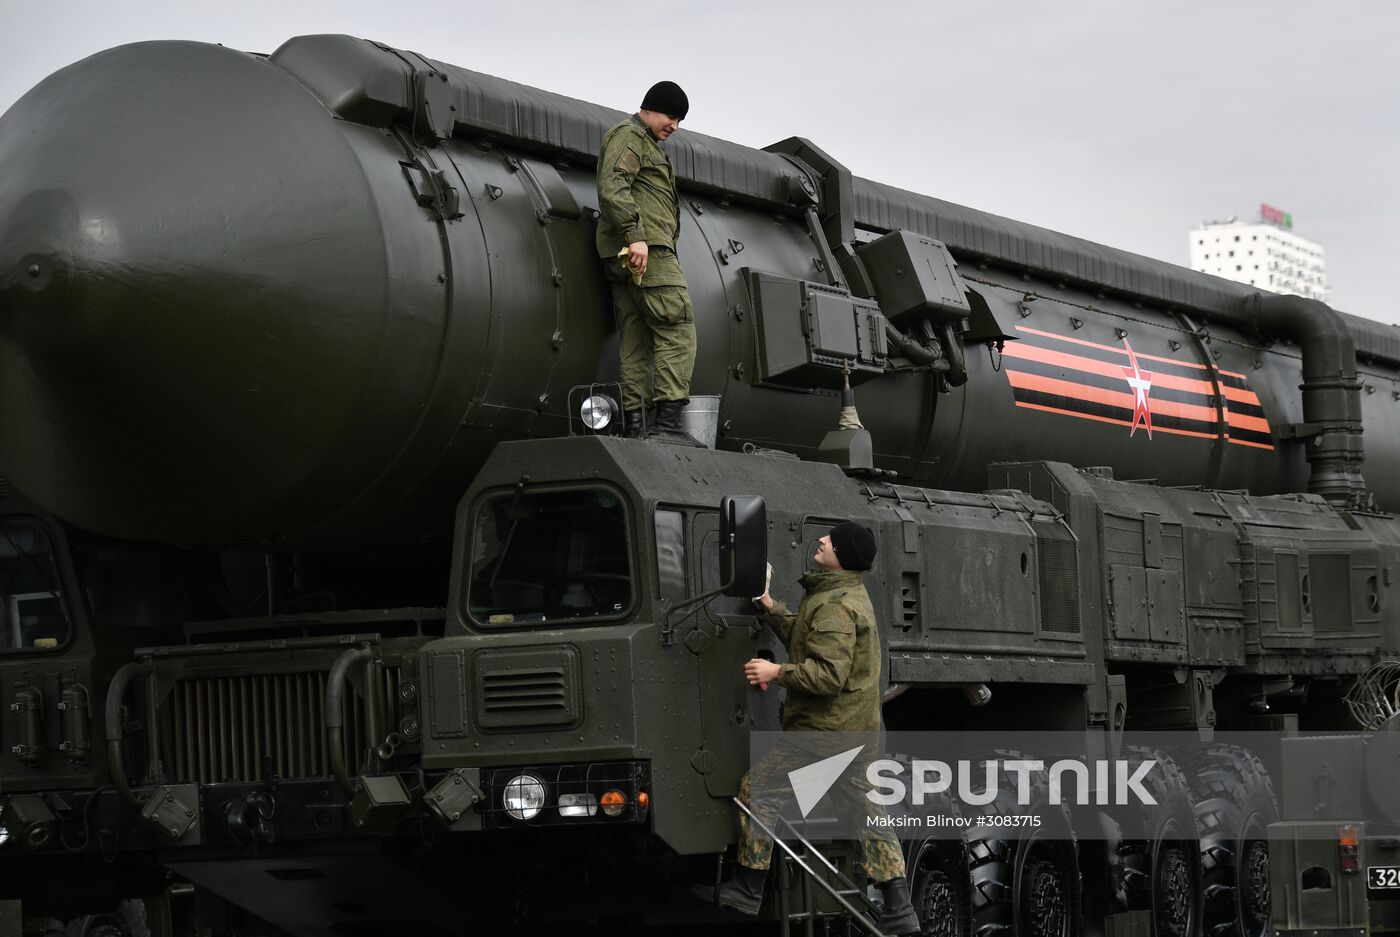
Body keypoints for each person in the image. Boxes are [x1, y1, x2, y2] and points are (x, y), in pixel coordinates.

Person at [694, 521, 920, 935]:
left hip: (825, 734)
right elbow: (807, 636)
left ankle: (747, 887)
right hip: (856, 732)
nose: (821, 540)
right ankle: (899, 908)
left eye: (831, 541)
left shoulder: (835, 604)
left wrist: (776, 670)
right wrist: (768, 603)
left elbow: (828, 676)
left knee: (757, 790)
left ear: (843, 556)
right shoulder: (841, 594)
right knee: (867, 814)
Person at [595, 81, 701, 445]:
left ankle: (637, 426)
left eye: (680, 119)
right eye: (672, 116)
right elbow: (614, 184)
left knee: (637, 339)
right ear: (650, 109)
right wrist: (636, 235)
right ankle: (669, 425)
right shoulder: (631, 136)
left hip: (627, 252)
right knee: (677, 327)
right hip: (646, 250)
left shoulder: (641, 140)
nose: (675, 125)